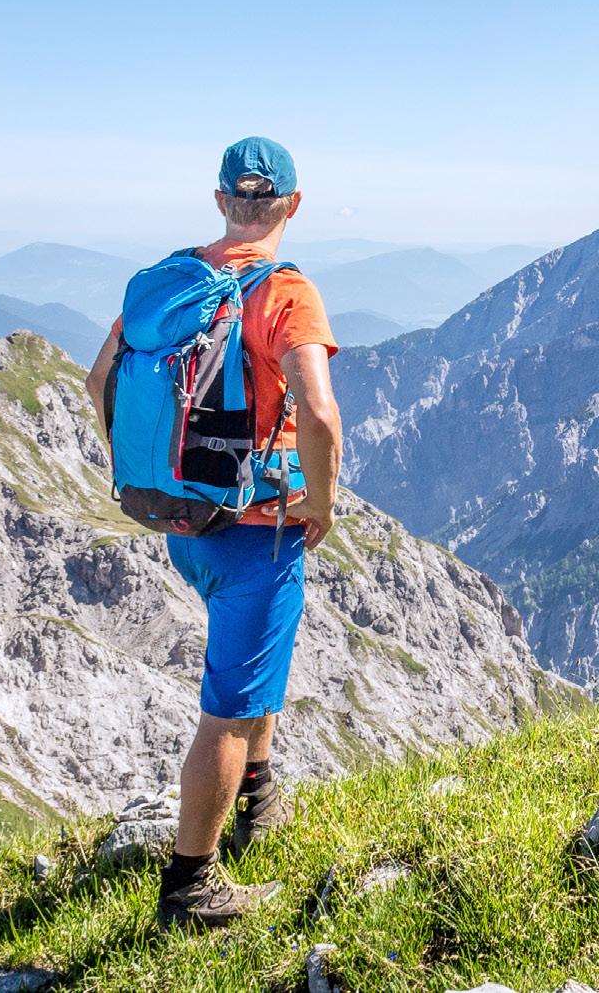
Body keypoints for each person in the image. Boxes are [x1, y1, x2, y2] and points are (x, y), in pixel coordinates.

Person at [84, 136, 342, 930]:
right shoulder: (285, 292)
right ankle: (190, 886)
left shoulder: (174, 281)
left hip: (183, 522)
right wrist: (321, 503)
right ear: (294, 204)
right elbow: (319, 413)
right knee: (227, 710)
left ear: (223, 200)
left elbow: (98, 381)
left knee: (255, 664)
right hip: (254, 534)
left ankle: (258, 797)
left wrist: (152, 470)